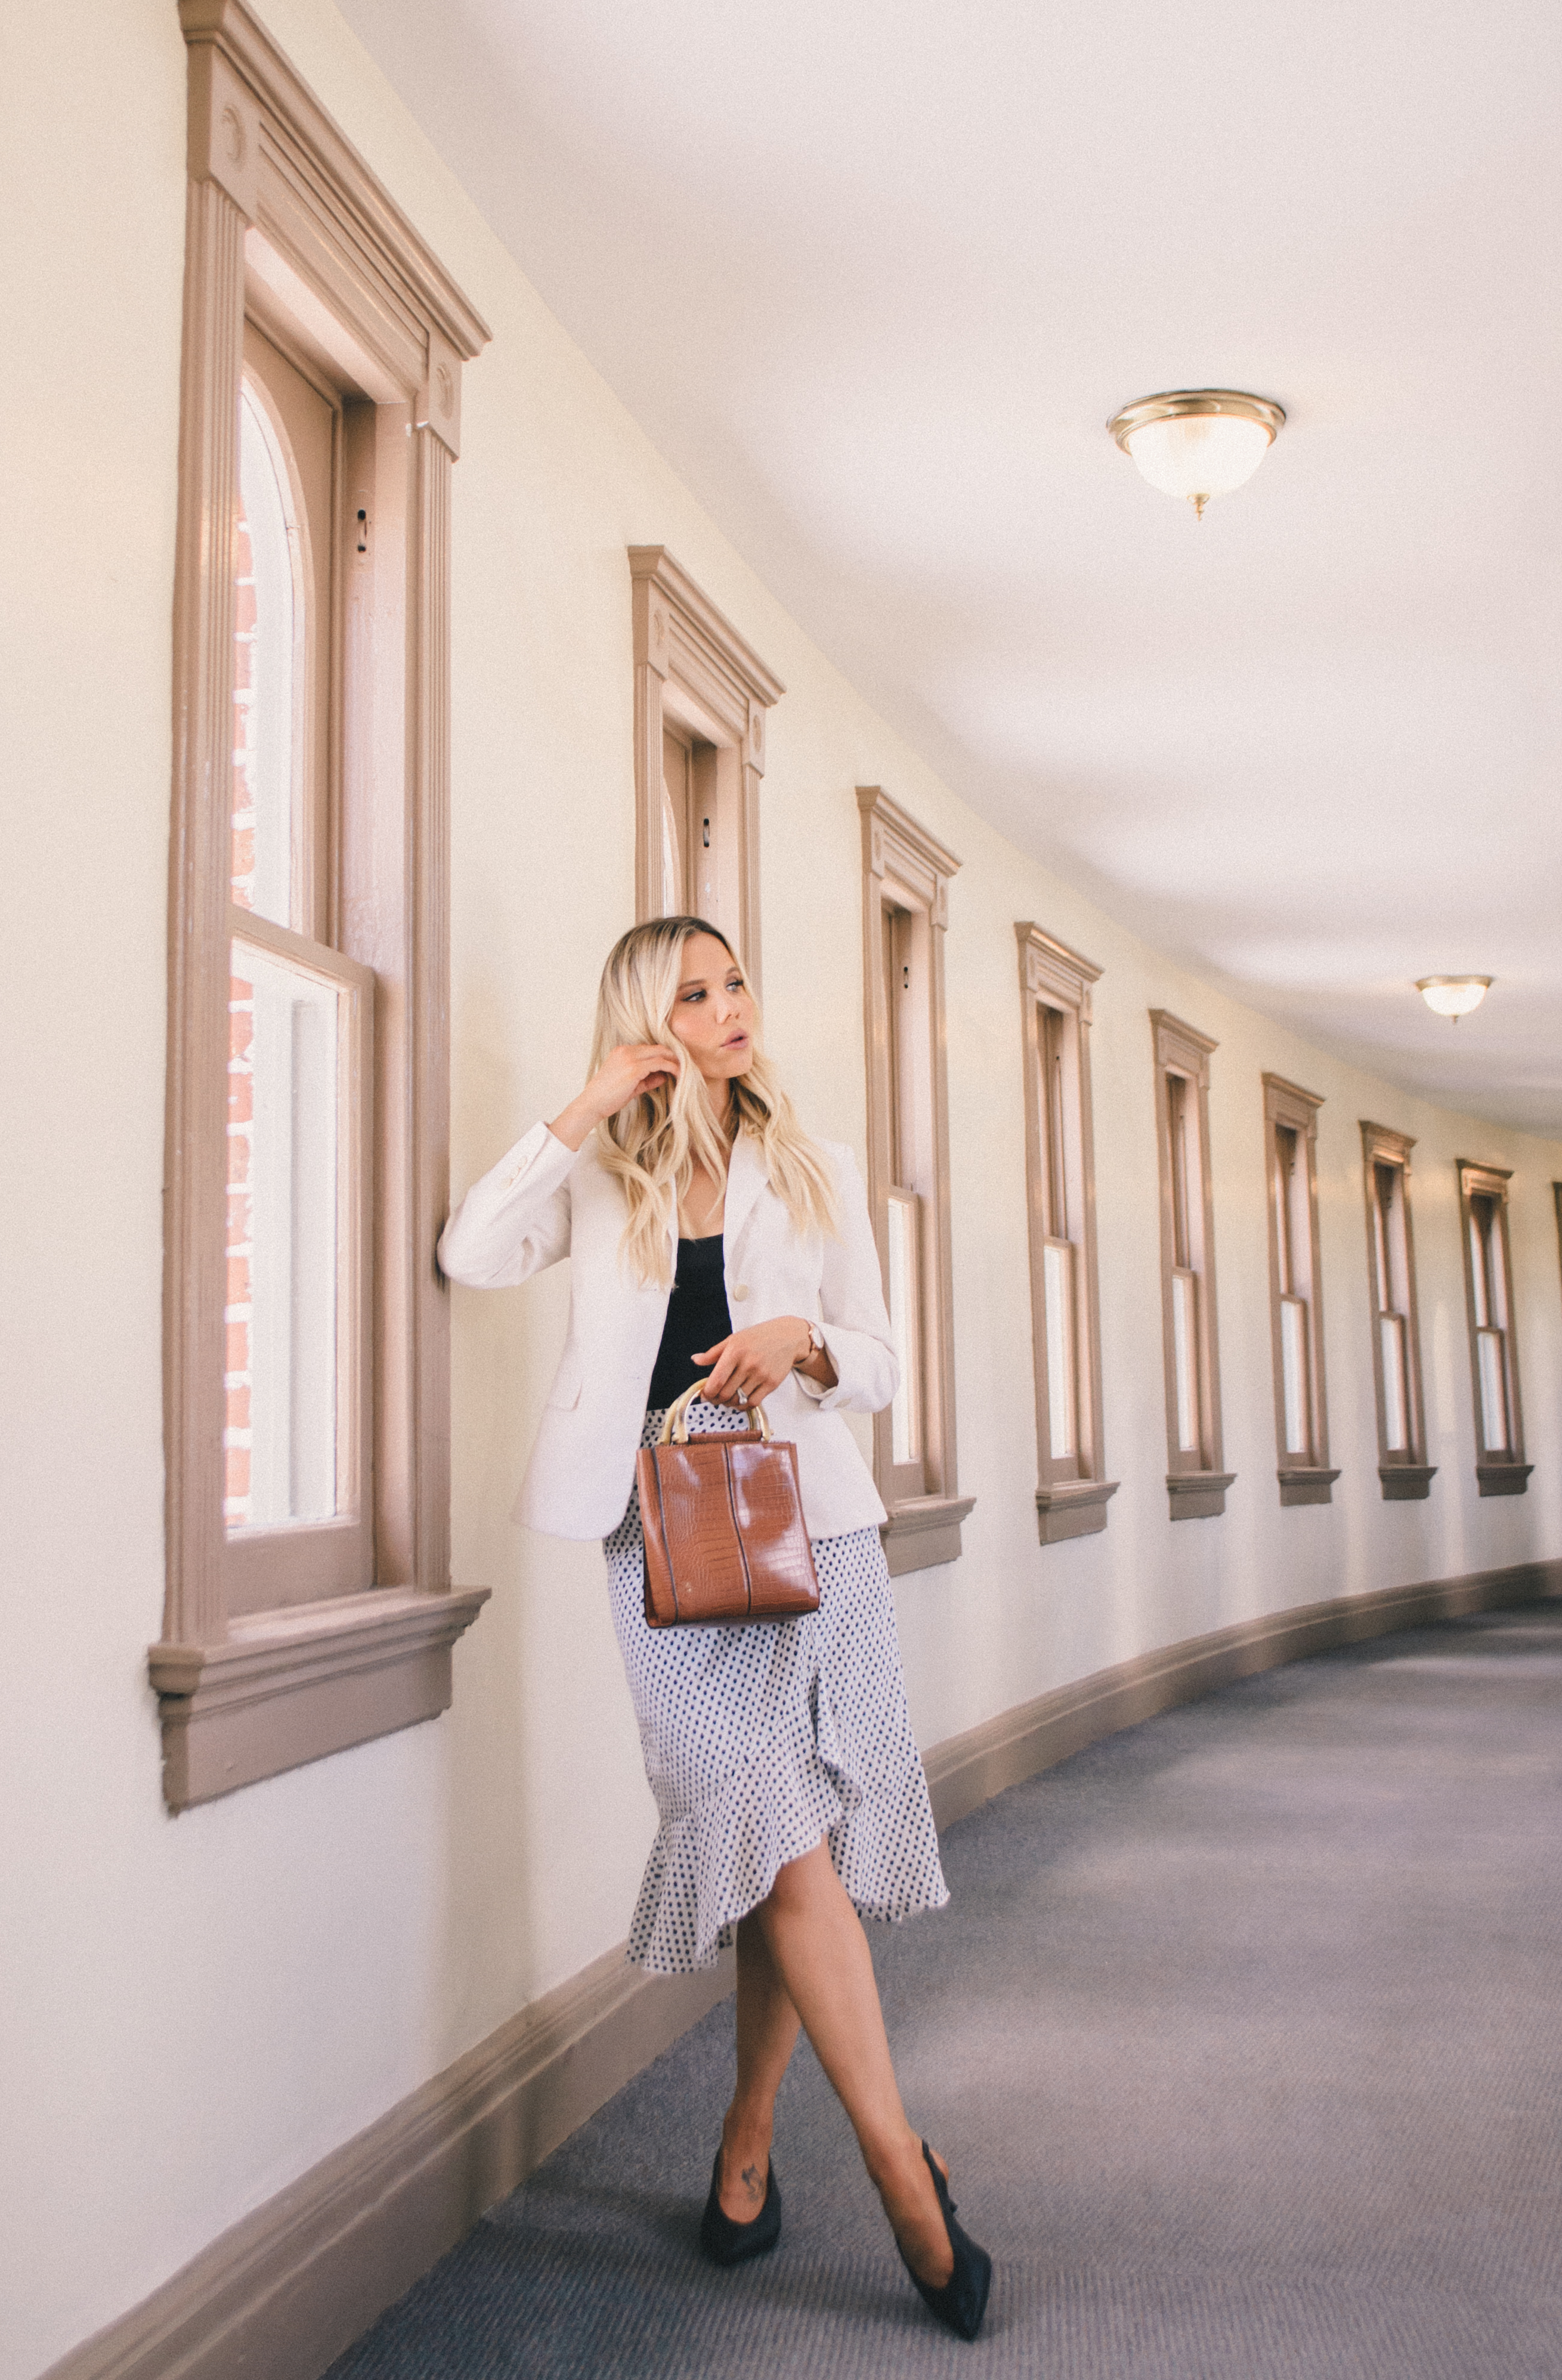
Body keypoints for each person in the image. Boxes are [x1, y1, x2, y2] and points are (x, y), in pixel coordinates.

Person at [439, 915, 991, 2340]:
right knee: (761, 1821)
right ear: (647, 1019)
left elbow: (873, 1359)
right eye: (695, 991)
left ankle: (748, 2146)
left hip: (815, 1534)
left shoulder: (814, 1166)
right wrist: (579, 1109)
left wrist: (798, 1339)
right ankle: (900, 2168)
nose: (733, 1004)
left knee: (783, 1838)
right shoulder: (603, 1175)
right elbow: (474, 1246)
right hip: (659, 1549)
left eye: (737, 978)